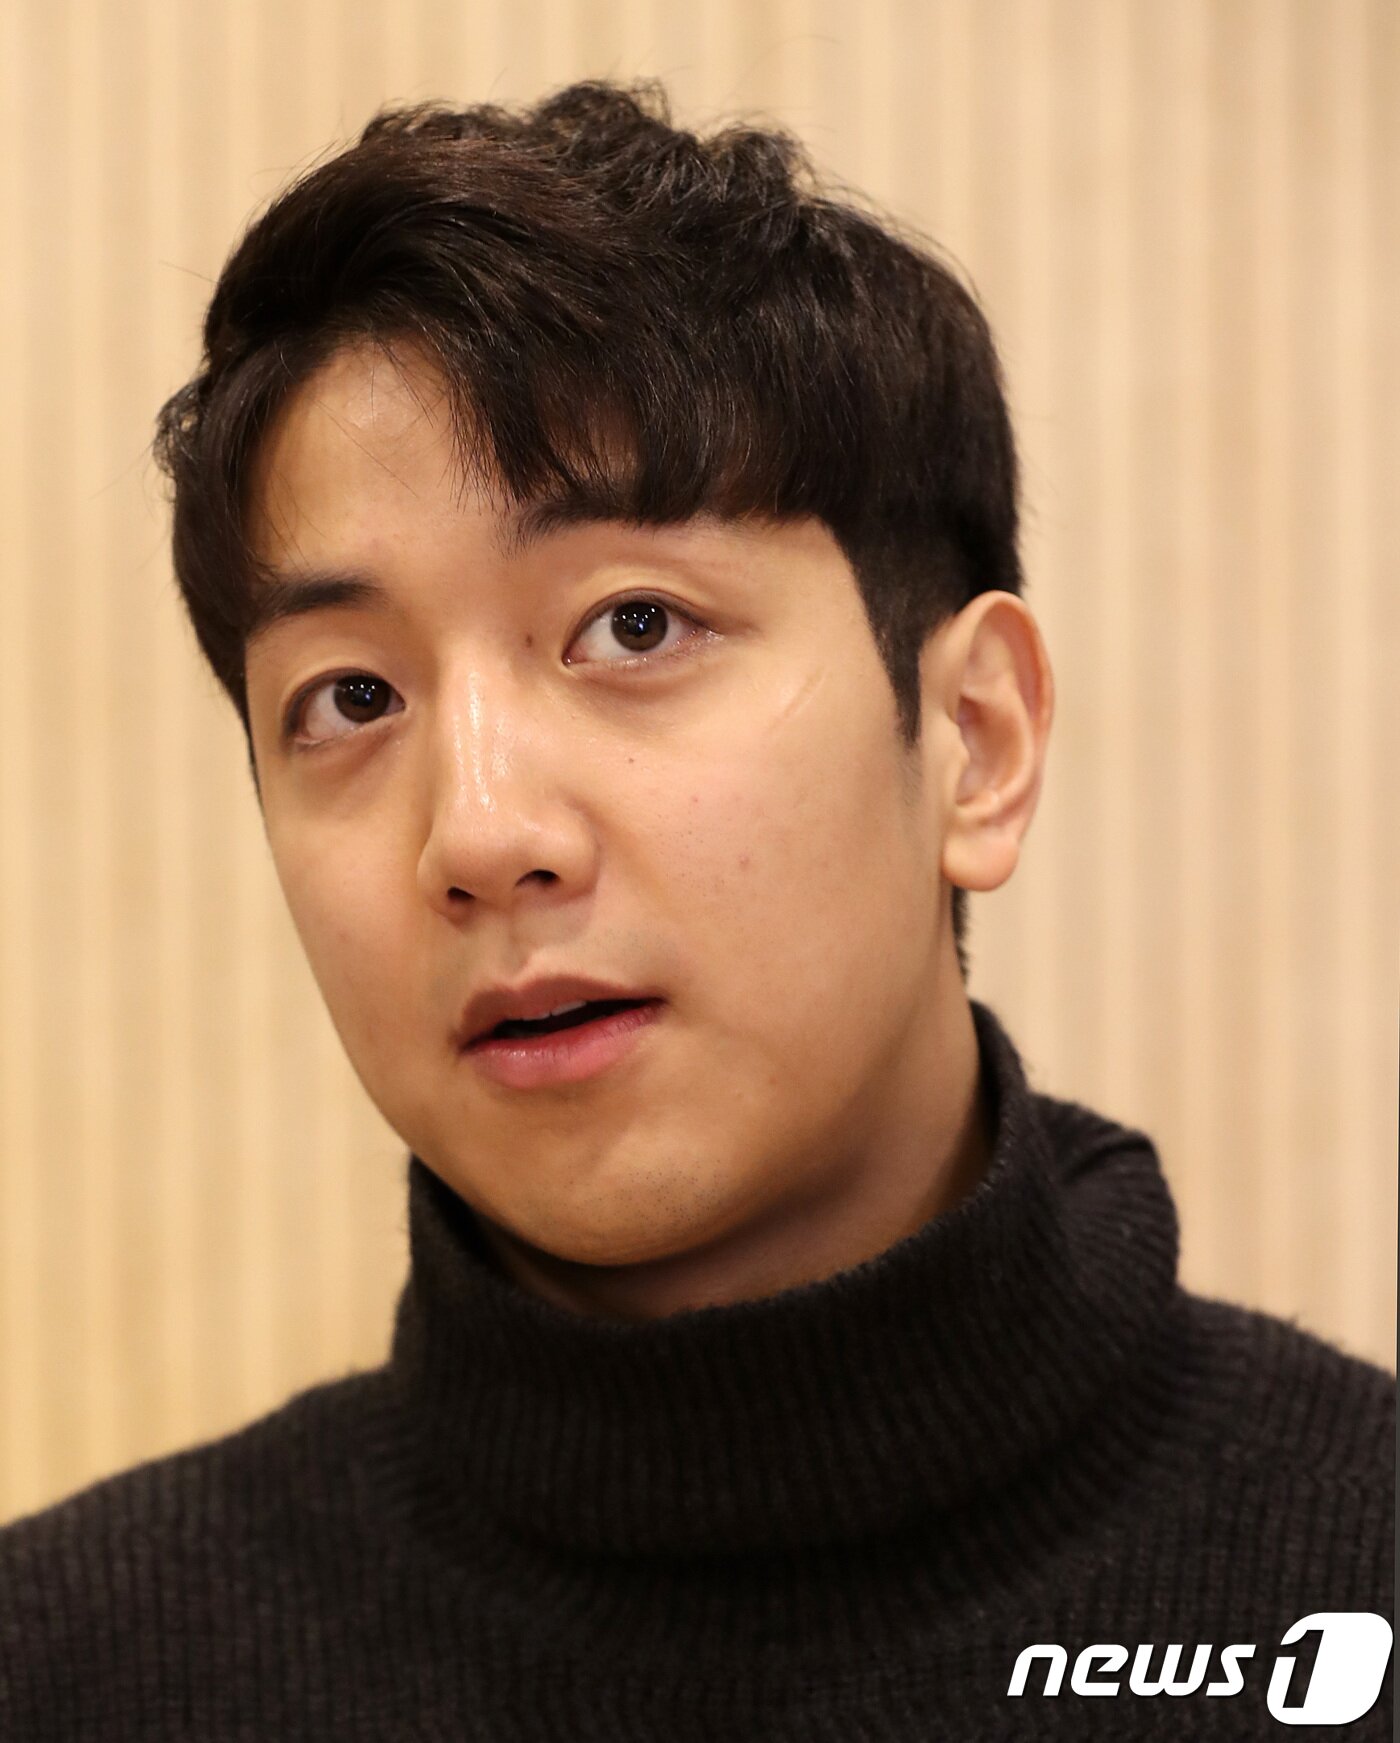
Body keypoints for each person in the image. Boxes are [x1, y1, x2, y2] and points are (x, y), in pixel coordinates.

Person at [0, 79, 1392, 1739]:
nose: (482, 832)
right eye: (353, 696)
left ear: (975, 738)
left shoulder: (1356, 1569)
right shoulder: (70, 1668)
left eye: (635, 627)